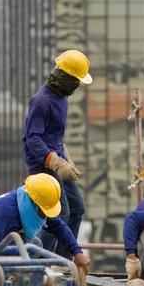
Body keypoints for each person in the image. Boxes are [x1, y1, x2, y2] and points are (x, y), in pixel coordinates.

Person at [22, 49, 92, 259]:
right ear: (66, 78)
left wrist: (66, 158)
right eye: (76, 80)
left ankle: (62, 259)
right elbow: (32, 137)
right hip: (42, 164)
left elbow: (54, 134)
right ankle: (39, 261)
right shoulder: (42, 100)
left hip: (56, 158)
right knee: (59, 213)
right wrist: (55, 162)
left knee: (77, 208)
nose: (78, 84)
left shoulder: (62, 97)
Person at [0, 173, 90, 276]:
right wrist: (42, 278)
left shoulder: (25, 200)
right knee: (26, 249)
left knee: (34, 244)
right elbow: (10, 256)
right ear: (35, 203)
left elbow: (59, 227)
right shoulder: (7, 213)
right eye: (43, 212)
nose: (45, 216)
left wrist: (77, 252)